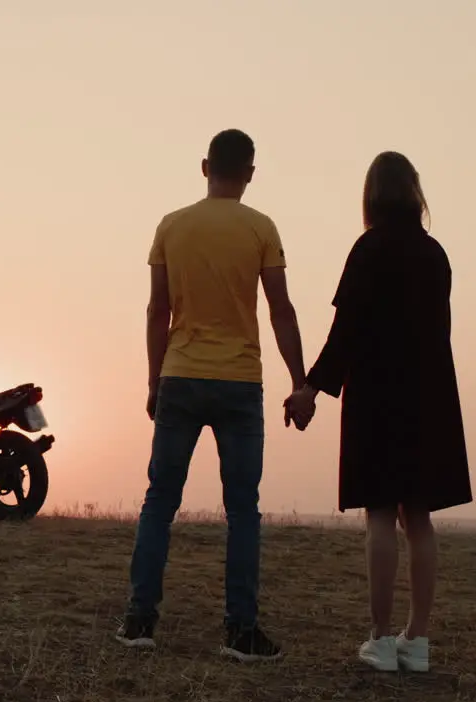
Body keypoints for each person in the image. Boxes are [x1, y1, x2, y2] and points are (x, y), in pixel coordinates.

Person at [115, 128, 313, 662]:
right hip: (240, 383)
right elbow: (281, 311)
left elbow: (158, 311)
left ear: (205, 167)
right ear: (250, 173)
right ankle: (241, 630)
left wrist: (154, 381)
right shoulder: (261, 228)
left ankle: (139, 620)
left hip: (181, 375)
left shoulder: (171, 226)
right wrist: (300, 383)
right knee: (242, 510)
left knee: (160, 501)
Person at [288, 151, 472, 672]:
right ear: (414, 193)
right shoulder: (435, 255)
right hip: (430, 397)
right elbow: (442, 333)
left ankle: (380, 638)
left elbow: (346, 333)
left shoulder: (368, 249)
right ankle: (418, 641)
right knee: (419, 520)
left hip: (376, 397)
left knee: (379, 518)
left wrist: (309, 391)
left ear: (370, 196)